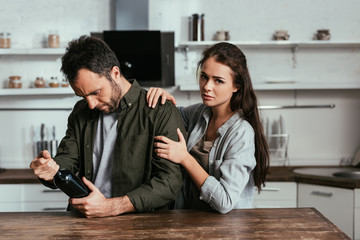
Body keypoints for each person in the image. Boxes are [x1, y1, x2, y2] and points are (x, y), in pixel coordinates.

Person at [29, 35, 185, 218]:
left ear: (115, 73)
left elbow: (169, 182)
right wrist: (50, 169)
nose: (91, 104)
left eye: (96, 92)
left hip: (139, 224)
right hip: (86, 220)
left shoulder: (159, 110)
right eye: (83, 96)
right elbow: (67, 159)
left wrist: (112, 206)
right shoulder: (81, 111)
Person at [146, 42, 269, 214]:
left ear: (236, 86)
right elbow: (169, 115)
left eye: (218, 81)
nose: (206, 86)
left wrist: (184, 158)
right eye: (204, 76)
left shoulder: (241, 133)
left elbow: (225, 202)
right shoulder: (198, 113)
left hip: (227, 231)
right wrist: (163, 98)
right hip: (191, 225)